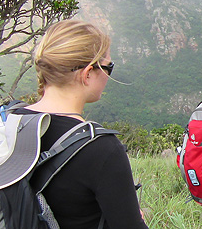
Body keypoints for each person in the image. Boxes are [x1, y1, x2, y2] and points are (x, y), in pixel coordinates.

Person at [18, 19, 148, 229]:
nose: (108, 75)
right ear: (88, 74)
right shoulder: (101, 149)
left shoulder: (6, 120)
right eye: (108, 67)